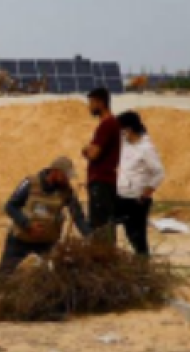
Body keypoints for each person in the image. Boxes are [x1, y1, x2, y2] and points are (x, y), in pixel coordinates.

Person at [0, 157, 92, 313]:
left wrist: (88, 236)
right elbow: (10, 206)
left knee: (53, 275)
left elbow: (77, 216)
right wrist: (27, 224)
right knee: (4, 272)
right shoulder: (30, 183)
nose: (67, 180)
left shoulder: (66, 191)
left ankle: (52, 308)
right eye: (65, 175)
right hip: (21, 239)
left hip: (47, 242)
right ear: (55, 172)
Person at [114, 111, 165, 258]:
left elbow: (159, 173)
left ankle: (143, 268)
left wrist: (146, 193)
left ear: (128, 129)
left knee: (136, 237)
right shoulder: (125, 143)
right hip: (121, 196)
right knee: (107, 224)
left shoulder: (146, 148)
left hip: (137, 200)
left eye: (121, 129)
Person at [83, 87, 123, 246]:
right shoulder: (110, 124)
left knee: (100, 226)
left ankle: (104, 261)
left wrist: (85, 149)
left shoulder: (107, 125)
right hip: (105, 181)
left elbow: (94, 154)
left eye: (91, 102)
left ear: (100, 102)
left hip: (102, 182)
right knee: (104, 225)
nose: (90, 107)